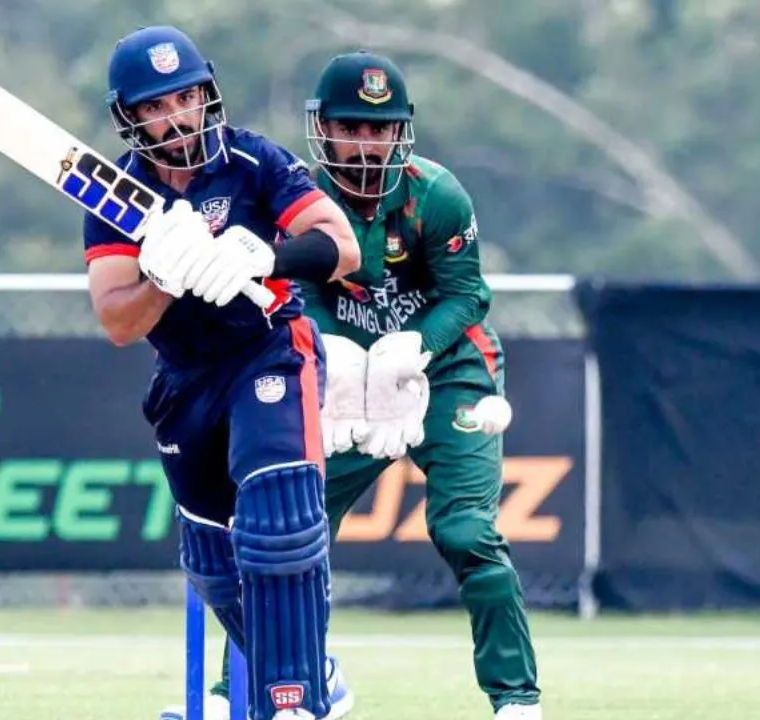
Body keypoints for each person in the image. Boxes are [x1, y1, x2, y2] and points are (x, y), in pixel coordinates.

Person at [197, 51, 544, 720]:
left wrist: (416, 346)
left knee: (466, 531)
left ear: (400, 132)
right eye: (350, 127)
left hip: (446, 372)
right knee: (286, 531)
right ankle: (246, 687)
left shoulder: (436, 196)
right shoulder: (296, 202)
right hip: (346, 381)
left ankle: (516, 702)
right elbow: (296, 294)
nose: (366, 144)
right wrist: (335, 358)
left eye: (379, 129)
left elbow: (468, 296)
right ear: (322, 130)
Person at [83, 26, 366, 720]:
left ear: (208, 93)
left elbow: (343, 246)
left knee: (278, 522)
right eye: (157, 106)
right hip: (185, 376)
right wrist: (162, 277)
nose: (177, 117)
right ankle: (314, 674)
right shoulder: (116, 194)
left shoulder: (252, 161)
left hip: (268, 348)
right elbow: (117, 320)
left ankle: (293, 701)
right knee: (214, 565)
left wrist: (264, 256)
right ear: (130, 118)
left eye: (187, 97)